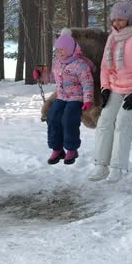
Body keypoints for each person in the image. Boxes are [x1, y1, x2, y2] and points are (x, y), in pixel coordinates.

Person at [88, 1, 132, 182]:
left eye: (121, 20)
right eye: (114, 20)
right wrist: (104, 88)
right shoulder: (112, 39)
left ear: (129, 19)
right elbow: (105, 67)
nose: (116, 23)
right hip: (116, 88)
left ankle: (117, 167)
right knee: (105, 120)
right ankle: (100, 166)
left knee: (122, 121)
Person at [33, 28, 95, 165]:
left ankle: (72, 149)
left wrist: (88, 100)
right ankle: (57, 148)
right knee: (53, 116)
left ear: (69, 49)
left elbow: (87, 83)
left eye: (61, 50)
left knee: (68, 119)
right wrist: (42, 75)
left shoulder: (80, 64)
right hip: (61, 97)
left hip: (76, 98)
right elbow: (53, 78)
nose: (59, 53)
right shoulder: (57, 62)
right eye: (57, 50)